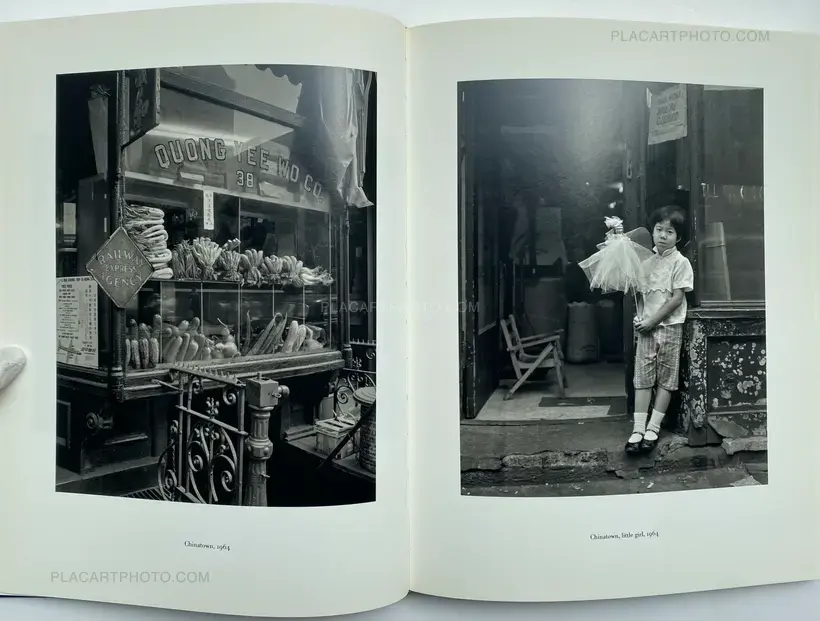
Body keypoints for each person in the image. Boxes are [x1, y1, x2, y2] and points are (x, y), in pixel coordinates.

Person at [625, 205, 694, 454]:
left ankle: (653, 428)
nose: (663, 235)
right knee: (643, 377)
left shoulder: (681, 262)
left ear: (679, 237)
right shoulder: (645, 262)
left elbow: (676, 299)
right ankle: (638, 429)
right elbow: (641, 296)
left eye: (670, 231)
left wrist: (652, 320)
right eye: (659, 229)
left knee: (666, 378)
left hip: (670, 326)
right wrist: (641, 316)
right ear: (652, 232)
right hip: (646, 327)